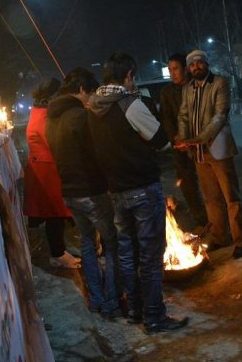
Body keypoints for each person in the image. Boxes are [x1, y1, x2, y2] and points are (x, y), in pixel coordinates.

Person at [87, 52, 188, 334]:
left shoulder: (92, 108)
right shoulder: (129, 105)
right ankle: (154, 317)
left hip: (116, 193)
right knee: (151, 256)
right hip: (142, 189)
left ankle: (134, 310)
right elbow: (161, 140)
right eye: (134, 77)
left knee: (127, 254)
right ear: (129, 75)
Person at [45, 68, 121, 319]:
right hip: (92, 190)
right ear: (81, 90)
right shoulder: (80, 117)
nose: (91, 99)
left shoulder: (51, 120)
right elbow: (99, 152)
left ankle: (96, 299)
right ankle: (112, 300)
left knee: (88, 242)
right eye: (90, 93)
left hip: (70, 192)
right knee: (111, 244)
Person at [176, 50, 242, 259]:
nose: (196, 67)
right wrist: (185, 139)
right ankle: (219, 237)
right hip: (199, 152)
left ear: (206, 63)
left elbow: (220, 115)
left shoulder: (220, 83)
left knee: (231, 198)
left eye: (199, 63)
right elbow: (183, 115)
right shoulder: (188, 88)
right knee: (211, 198)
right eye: (192, 65)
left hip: (219, 149)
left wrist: (199, 138)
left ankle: (241, 241)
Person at [23, 77, 81, 269]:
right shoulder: (43, 116)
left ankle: (59, 251)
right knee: (54, 214)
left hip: (45, 168)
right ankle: (57, 254)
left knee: (54, 213)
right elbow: (53, 142)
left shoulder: (38, 111)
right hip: (46, 171)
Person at [159, 52, 207, 231]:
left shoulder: (197, 86)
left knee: (209, 183)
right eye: (170, 70)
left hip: (199, 143)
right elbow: (166, 117)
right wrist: (175, 136)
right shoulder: (167, 92)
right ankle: (201, 220)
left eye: (176, 69)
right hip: (179, 145)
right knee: (187, 185)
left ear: (185, 69)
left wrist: (192, 138)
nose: (172, 73)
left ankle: (218, 219)